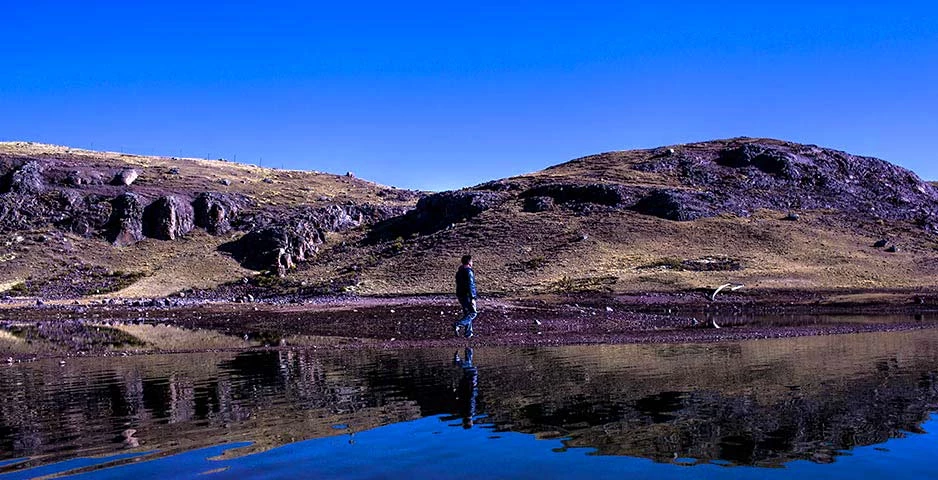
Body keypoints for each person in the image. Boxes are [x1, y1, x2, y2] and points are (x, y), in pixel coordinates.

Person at [453, 347, 478, 428]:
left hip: (470, 381)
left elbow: (470, 398)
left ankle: (468, 349)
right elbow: (470, 398)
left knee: (468, 364)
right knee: (467, 365)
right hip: (470, 381)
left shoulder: (469, 412)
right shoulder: (468, 411)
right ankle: (462, 355)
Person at [453, 254, 478, 338]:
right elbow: (471, 285)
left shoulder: (459, 272)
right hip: (467, 295)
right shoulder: (468, 271)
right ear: (469, 262)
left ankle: (468, 333)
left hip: (461, 295)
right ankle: (458, 324)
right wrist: (473, 297)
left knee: (467, 313)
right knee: (473, 313)